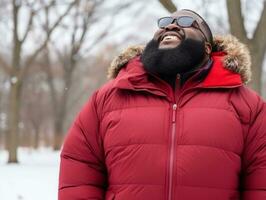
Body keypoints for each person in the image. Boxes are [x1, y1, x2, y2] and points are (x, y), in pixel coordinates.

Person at [58, 9, 266, 200]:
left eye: (186, 21)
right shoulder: (108, 98)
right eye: (166, 22)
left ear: (207, 47)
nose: (171, 25)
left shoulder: (248, 106)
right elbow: (80, 168)